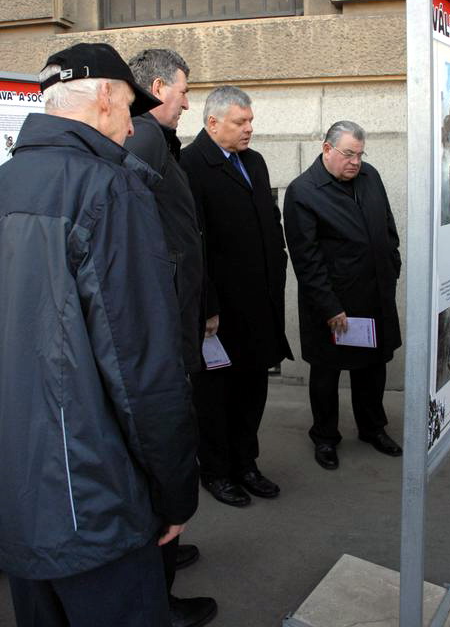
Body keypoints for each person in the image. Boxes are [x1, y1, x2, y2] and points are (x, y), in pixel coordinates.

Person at [0, 43, 199, 627]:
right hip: (94, 500)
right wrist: (174, 492)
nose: (131, 123)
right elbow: (143, 367)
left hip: (20, 496)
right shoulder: (111, 190)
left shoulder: (6, 181)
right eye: (129, 107)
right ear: (106, 96)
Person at [125, 48, 217, 627]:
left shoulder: (157, 142)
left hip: (175, 320)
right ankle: (156, 596)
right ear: (159, 86)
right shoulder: (142, 141)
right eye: (184, 89)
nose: (188, 99)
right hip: (159, 332)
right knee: (161, 451)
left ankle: (164, 546)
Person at [180, 86, 293, 507]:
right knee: (215, 396)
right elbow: (194, 244)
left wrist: (278, 263)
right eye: (239, 122)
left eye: (250, 121)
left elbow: (269, 220)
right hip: (221, 312)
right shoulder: (191, 165)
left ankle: (247, 464)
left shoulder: (254, 162)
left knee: (252, 390)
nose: (249, 129)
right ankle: (216, 471)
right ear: (212, 124)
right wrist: (207, 306)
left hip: (259, 303)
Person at [283, 120, 402, 471]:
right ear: (327, 149)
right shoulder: (303, 191)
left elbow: (387, 226)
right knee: (327, 373)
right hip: (333, 303)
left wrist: (392, 263)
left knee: (373, 368)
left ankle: (372, 428)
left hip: (374, 294)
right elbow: (307, 259)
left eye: (360, 154)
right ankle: (324, 437)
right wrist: (330, 307)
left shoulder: (370, 177)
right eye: (349, 154)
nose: (355, 162)